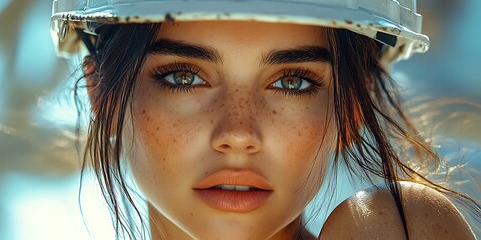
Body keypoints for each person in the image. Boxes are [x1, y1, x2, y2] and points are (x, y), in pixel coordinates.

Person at [50, 0, 480, 239]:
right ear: (101, 96)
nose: (238, 134)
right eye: (185, 77)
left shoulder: (390, 229)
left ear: (351, 107)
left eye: (292, 82)